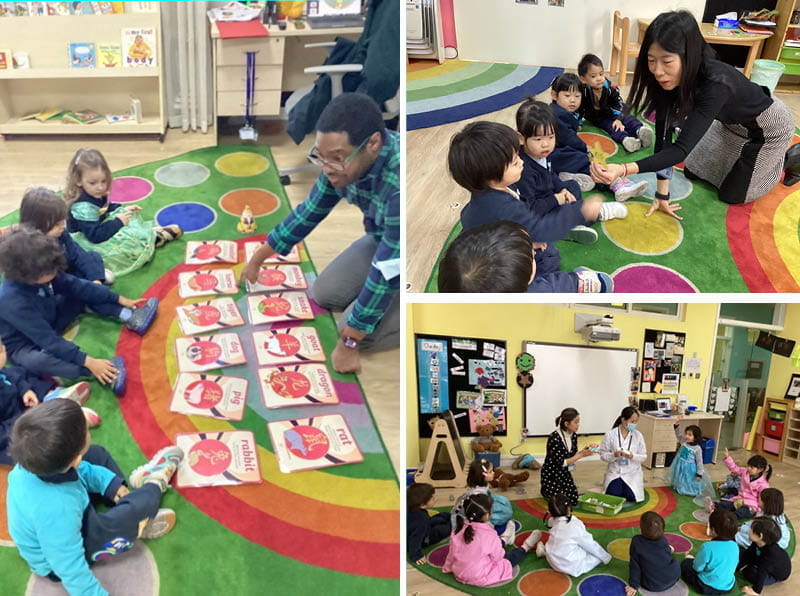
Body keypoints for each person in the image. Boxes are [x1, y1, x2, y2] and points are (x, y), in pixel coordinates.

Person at [242, 93, 399, 374]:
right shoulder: (339, 165)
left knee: (358, 332)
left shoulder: (399, 185)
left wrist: (350, 343)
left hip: (410, 256)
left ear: (373, 143)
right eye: (320, 157)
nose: (327, 169)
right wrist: (259, 257)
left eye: (337, 159)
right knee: (324, 293)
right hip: (382, 239)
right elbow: (308, 212)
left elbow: (386, 273)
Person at [590, 11, 794, 214]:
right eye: (651, 60)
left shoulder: (716, 83)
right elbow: (664, 142)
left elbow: (680, 150)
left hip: (767, 129)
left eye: (666, 61)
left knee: (732, 195)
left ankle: (788, 158)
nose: (658, 71)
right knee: (692, 170)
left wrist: (624, 169)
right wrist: (662, 195)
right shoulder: (669, 78)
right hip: (728, 123)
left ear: (689, 55)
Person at [6, 399, 184, 596]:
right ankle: (153, 484)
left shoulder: (31, 461)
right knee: (124, 517)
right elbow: (70, 569)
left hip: (67, 504)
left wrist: (111, 484)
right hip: (59, 557)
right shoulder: (58, 511)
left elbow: (81, 469)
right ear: (75, 459)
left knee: (96, 455)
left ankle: (126, 510)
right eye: (85, 429)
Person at [447, 122, 614, 293]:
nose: (521, 161)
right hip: (499, 270)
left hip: (499, 246)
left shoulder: (487, 194)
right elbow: (541, 230)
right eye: (514, 162)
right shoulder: (503, 206)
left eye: (517, 156)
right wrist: (581, 212)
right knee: (549, 257)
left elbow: (471, 219)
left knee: (544, 245)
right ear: (490, 176)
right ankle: (559, 281)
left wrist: (526, 237)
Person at [0, 229, 160, 394]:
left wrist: (118, 299)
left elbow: (76, 285)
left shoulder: (43, 271)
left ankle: (129, 315)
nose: (55, 273)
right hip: (25, 343)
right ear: (28, 276)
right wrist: (89, 362)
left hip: (50, 315)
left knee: (83, 291)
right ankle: (96, 372)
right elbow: (47, 340)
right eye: (50, 272)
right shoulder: (11, 301)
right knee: (36, 361)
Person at [514, 98, 628, 246]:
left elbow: (550, 175)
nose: (546, 144)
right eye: (538, 139)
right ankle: (597, 213)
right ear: (521, 138)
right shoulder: (522, 170)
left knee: (572, 186)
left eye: (551, 137)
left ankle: (569, 226)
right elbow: (532, 209)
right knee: (566, 211)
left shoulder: (541, 154)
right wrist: (556, 199)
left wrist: (562, 189)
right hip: (538, 212)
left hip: (549, 196)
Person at [65, 148, 182, 277]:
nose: (100, 187)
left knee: (129, 223)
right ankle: (98, 270)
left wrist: (121, 209)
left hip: (99, 226)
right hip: (86, 240)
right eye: (93, 183)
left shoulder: (95, 192)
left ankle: (152, 236)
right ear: (78, 181)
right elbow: (95, 236)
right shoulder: (83, 207)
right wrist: (117, 222)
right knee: (125, 251)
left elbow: (105, 207)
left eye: (104, 181)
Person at [437, 221, 614, 293]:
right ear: (528, 276)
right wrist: (580, 282)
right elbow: (605, 283)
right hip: (542, 288)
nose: (533, 251)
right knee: (554, 269)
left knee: (545, 250)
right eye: (531, 254)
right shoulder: (543, 290)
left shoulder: (456, 282)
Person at [549, 73, 648, 202]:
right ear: (554, 95)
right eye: (567, 96)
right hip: (553, 156)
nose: (573, 100)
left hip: (557, 155)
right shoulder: (557, 115)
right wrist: (585, 148)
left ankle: (569, 176)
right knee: (585, 160)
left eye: (577, 96)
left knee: (582, 159)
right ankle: (615, 184)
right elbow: (569, 138)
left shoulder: (560, 111)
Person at [1, 339, 98, 464]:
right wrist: (29, 418)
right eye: (0, 349)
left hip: (18, 404)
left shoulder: (2, 371)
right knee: (31, 448)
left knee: (24, 373)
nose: (4, 348)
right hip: (11, 431)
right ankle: (59, 419)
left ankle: (52, 397)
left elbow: (11, 376)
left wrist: (24, 390)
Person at [442, 493, 541, 587]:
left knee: (491, 546)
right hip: (479, 576)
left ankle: (505, 538)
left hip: (459, 572)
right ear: (486, 515)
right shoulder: (488, 534)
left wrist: (448, 567)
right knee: (508, 558)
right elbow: (499, 557)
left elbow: (452, 553)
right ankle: (526, 546)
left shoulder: (458, 529)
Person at [19, 186, 112, 284]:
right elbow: (49, 276)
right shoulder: (31, 248)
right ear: (36, 225)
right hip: (55, 278)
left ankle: (95, 277)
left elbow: (77, 254)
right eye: (56, 224)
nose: (62, 226)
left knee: (93, 256)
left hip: (69, 267)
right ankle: (94, 278)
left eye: (63, 221)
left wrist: (95, 279)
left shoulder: (61, 232)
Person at [578, 53, 654, 153]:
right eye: (593, 76)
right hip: (599, 117)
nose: (599, 78)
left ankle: (640, 130)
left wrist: (619, 119)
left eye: (601, 74)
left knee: (627, 118)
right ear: (583, 79)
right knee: (611, 127)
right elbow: (579, 107)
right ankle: (626, 140)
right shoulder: (582, 92)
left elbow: (618, 103)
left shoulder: (609, 88)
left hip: (615, 110)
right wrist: (578, 122)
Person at [542, 493, 612, 577]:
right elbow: (589, 544)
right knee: (595, 556)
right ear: (569, 508)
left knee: (569, 543)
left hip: (552, 561)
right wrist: (606, 557)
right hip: (570, 566)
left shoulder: (551, 521)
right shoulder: (575, 525)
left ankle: (543, 552)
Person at [450, 458, 516, 546]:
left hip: (471, 511)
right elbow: (480, 511)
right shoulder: (477, 494)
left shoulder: (479, 485)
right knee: (507, 513)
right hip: (470, 518)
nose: (493, 473)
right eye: (490, 471)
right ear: (483, 475)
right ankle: (504, 538)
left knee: (505, 502)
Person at [540, 407, 593, 506]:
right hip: (552, 475)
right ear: (566, 424)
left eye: (578, 422)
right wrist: (580, 455)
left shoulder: (574, 436)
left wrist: (582, 452)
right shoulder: (554, 437)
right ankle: (546, 491)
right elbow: (560, 462)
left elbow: (571, 456)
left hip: (564, 473)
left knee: (573, 499)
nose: (578, 425)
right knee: (561, 503)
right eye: (575, 422)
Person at [681, 508, 739, 594]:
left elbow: (697, 568)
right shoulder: (735, 545)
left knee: (686, 564)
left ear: (713, 530)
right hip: (728, 586)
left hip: (706, 586)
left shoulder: (707, 547)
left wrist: (689, 559)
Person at [598, 406, 647, 503]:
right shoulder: (610, 434)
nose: (634, 424)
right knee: (613, 496)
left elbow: (644, 456)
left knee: (632, 497)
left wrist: (633, 456)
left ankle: (626, 489)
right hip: (615, 472)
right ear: (623, 420)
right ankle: (619, 487)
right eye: (632, 421)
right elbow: (603, 455)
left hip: (632, 472)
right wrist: (614, 455)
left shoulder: (638, 435)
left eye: (636, 422)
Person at [626, 511, 681, 596]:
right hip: (672, 578)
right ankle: (669, 549)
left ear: (641, 527)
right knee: (675, 563)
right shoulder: (663, 540)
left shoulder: (637, 541)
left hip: (651, 584)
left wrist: (633, 585)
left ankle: (669, 549)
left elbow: (634, 566)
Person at [706, 450, 771, 520]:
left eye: (752, 467)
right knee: (728, 504)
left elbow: (763, 500)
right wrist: (728, 458)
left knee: (742, 511)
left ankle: (731, 518)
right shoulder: (745, 471)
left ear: (760, 469)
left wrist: (758, 512)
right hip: (739, 499)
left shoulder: (763, 484)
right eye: (748, 466)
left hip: (751, 505)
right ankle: (713, 506)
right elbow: (735, 469)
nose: (748, 468)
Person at [738, 518, 792, 596]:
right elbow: (750, 551)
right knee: (742, 554)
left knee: (750, 573)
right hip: (764, 561)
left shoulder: (771, 554)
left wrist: (755, 591)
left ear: (760, 536)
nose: (749, 531)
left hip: (774, 575)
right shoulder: (758, 542)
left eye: (751, 530)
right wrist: (740, 563)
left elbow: (762, 573)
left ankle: (747, 569)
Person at [667, 416, 714, 497]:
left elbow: (699, 462)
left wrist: (699, 474)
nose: (687, 436)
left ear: (695, 437)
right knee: (680, 476)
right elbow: (678, 435)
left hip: (690, 468)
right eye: (686, 434)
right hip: (680, 464)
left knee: (688, 479)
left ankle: (689, 489)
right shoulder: (684, 442)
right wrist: (676, 424)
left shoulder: (697, 449)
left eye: (690, 435)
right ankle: (680, 486)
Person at [407, 482, 450, 565]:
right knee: (442, 529)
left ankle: (449, 516)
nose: (435, 499)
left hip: (421, 525)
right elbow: (415, 538)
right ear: (422, 505)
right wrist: (416, 555)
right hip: (425, 538)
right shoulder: (420, 520)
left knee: (440, 518)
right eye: (432, 498)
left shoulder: (411, 505)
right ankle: (453, 522)